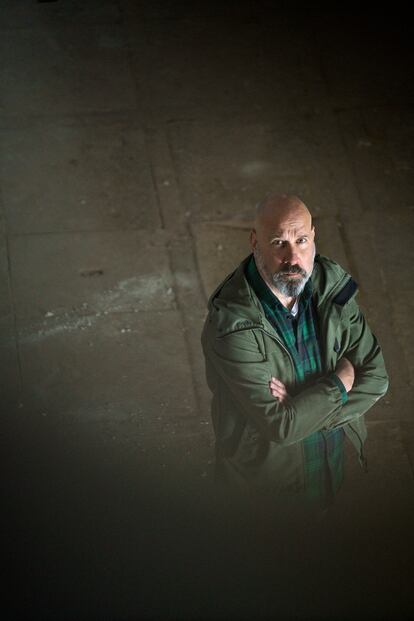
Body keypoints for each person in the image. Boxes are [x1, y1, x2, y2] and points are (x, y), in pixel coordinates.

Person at [201, 194, 389, 511]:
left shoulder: (331, 282)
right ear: (254, 242)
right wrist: (339, 384)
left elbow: (377, 378)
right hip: (265, 494)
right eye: (278, 243)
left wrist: (303, 411)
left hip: (334, 467)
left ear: (313, 235)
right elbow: (282, 427)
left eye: (301, 240)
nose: (293, 257)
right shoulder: (231, 324)